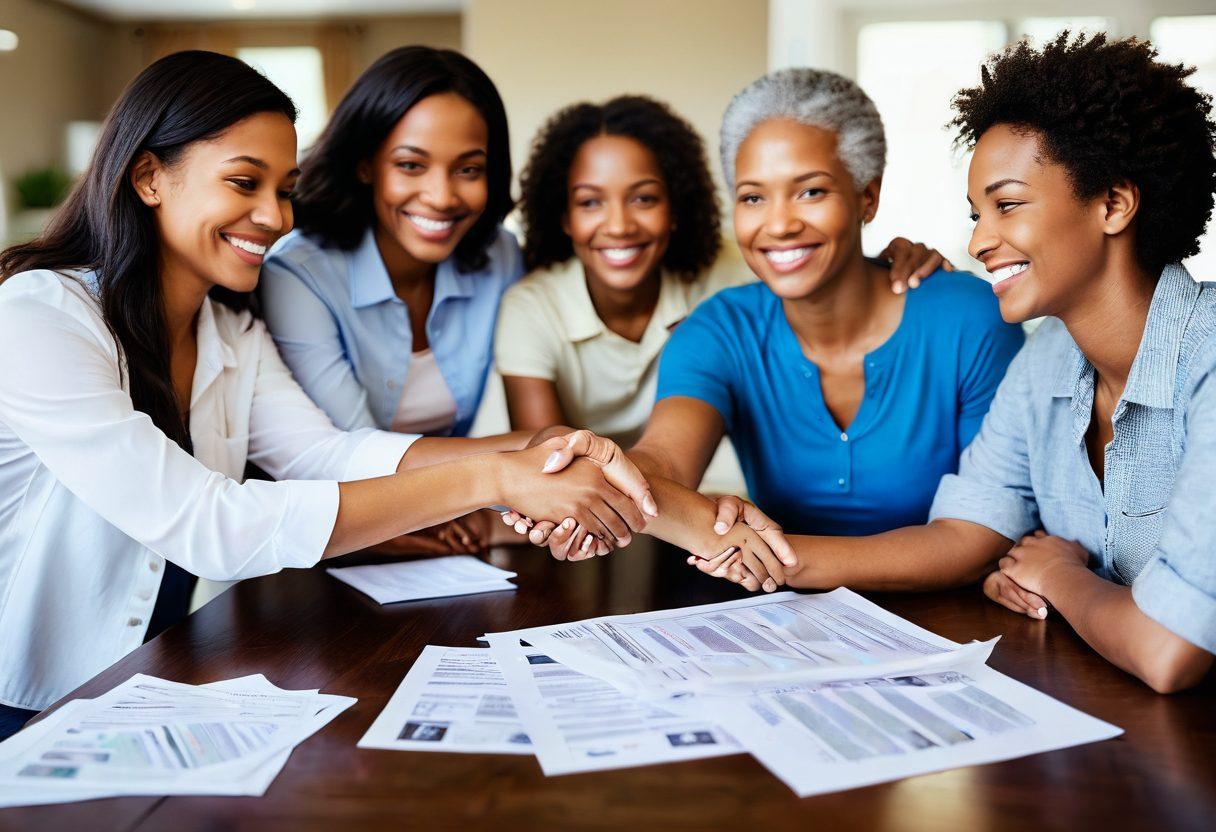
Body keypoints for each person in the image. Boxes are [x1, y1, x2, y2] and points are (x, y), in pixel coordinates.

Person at [0, 51, 656, 739]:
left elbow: (327, 453)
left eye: (285, 189)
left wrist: (543, 450)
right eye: (244, 182)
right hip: (23, 702)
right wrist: (491, 476)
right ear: (148, 177)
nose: (274, 216)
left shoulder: (231, 330)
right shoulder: (41, 315)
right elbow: (210, 526)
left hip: (140, 687)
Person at [703, 35, 1216, 693]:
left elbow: (1170, 650)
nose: (977, 242)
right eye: (977, 214)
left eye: (1007, 205)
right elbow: (969, 533)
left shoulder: (1206, 360)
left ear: (1113, 204)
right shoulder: (1046, 360)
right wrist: (768, 559)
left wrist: (1059, 577)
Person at [532, 68, 1025, 588]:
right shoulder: (718, 330)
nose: (779, 224)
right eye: (752, 198)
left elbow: (981, 536)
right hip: (782, 617)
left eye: (810, 191)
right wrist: (596, 479)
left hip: (954, 614)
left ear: (867, 197)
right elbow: (663, 464)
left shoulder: (969, 319)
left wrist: (763, 554)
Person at [259, 46, 520, 555]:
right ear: (365, 164)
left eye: (469, 170)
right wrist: (525, 451)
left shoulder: (501, 257)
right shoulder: (298, 274)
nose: (442, 197)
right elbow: (349, 453)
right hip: (325, 546)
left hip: (444, 533)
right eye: (411, 165)